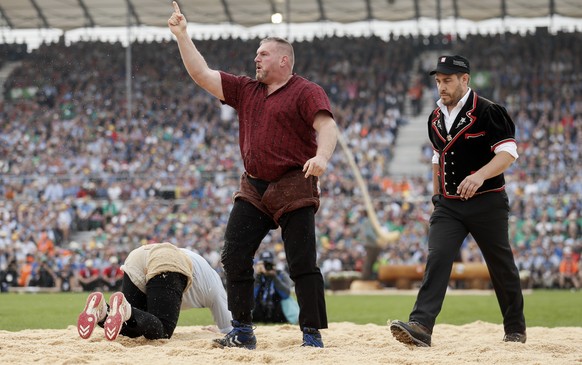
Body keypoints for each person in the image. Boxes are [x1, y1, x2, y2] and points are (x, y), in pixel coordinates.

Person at [168, 1, 338, 349]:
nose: (256, 59)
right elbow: (202, 74)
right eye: (256, 54)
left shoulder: (306, 91)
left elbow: (327, 125)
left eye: (263, 54)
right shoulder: (246, 89)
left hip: (294, 183)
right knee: (233, 255)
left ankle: (311, 334)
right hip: (255, 187)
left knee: (302, 262)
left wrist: (322, 157)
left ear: (283, 61)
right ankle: (242, 330)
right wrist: (183, 36)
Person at [390, 55, 527, 347]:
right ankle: (421, 325)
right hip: (449, 205)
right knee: (437, 258)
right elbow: (437, 157)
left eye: (448, 80)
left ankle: (515, 328)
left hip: (487, 201)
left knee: (501, 265)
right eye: (438, 81)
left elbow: (508, 153)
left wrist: (480, 175)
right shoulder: (435, 118)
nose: (441, 86)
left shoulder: (490, 111)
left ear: (465, 80)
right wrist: (437, 195)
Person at [76, 242, 233, 341]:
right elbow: (229, 328)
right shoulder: (216, 288)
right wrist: (221, 330)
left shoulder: (205, 272)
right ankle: (126, 309)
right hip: (168, 259)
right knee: (163, 331)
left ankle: (103, 312)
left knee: (133, 326)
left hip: (139, 254)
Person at [252, 251, 297, 324]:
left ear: (274, 263)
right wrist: (258, 278)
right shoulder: (257, 276)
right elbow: (251, 296)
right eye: (265, 264)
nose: (267, 266)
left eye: (269, 263)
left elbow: (286, 295)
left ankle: (293, 319)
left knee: (287, 300)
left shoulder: (281, 274)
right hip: (259, 311)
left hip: (278, 311)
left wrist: (275, 277)